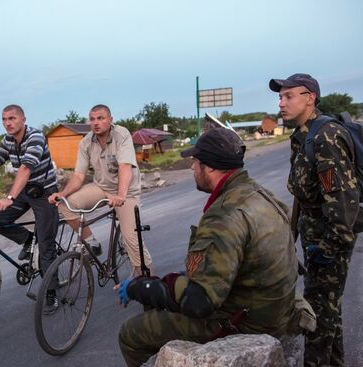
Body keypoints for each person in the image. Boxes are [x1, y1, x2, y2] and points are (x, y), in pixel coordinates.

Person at [117, 128, 298, 367]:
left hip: (246, 321)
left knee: (131, 332)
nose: (192, 167)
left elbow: (199, 301)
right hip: (271, 307)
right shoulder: (259, 194)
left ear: (210, 167)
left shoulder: (224, 215)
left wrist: (141, 287)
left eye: (195, 161)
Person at [269, 73, 360, 367]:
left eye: (289, 96)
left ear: (310, 98)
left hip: (329, 239)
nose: (281, 103)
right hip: (315, 233)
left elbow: (342, 200)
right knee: (328, 311)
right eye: (280, 97)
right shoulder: (303, 135)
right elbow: (303, 193)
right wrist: (292, 234)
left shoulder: (325, 137)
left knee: (319, 316)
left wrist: (330, 248)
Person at [0, 104, 59, 311]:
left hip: (45, 192)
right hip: (24, 190)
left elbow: (26, 168)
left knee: (46, 244)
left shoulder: (35, 137)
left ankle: (51, 291)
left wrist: (10, 196)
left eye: (12, 119)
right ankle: (28, 240)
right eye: (4, 119)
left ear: (23, 119)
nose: (7, 123)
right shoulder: (8, 140)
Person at [48, 104, 153, 276]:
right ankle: (91, 243)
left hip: (126, 192)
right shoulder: (86, 142)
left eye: (101, 118)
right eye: (92, 119)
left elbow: (125, 166)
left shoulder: (121, 135)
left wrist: (121, 195)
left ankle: (151, 286)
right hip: (101, 187)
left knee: (132, 242)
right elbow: (79, 176)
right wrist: (62, 194)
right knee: (66, 205)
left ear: (110, 120)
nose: (96, 123)